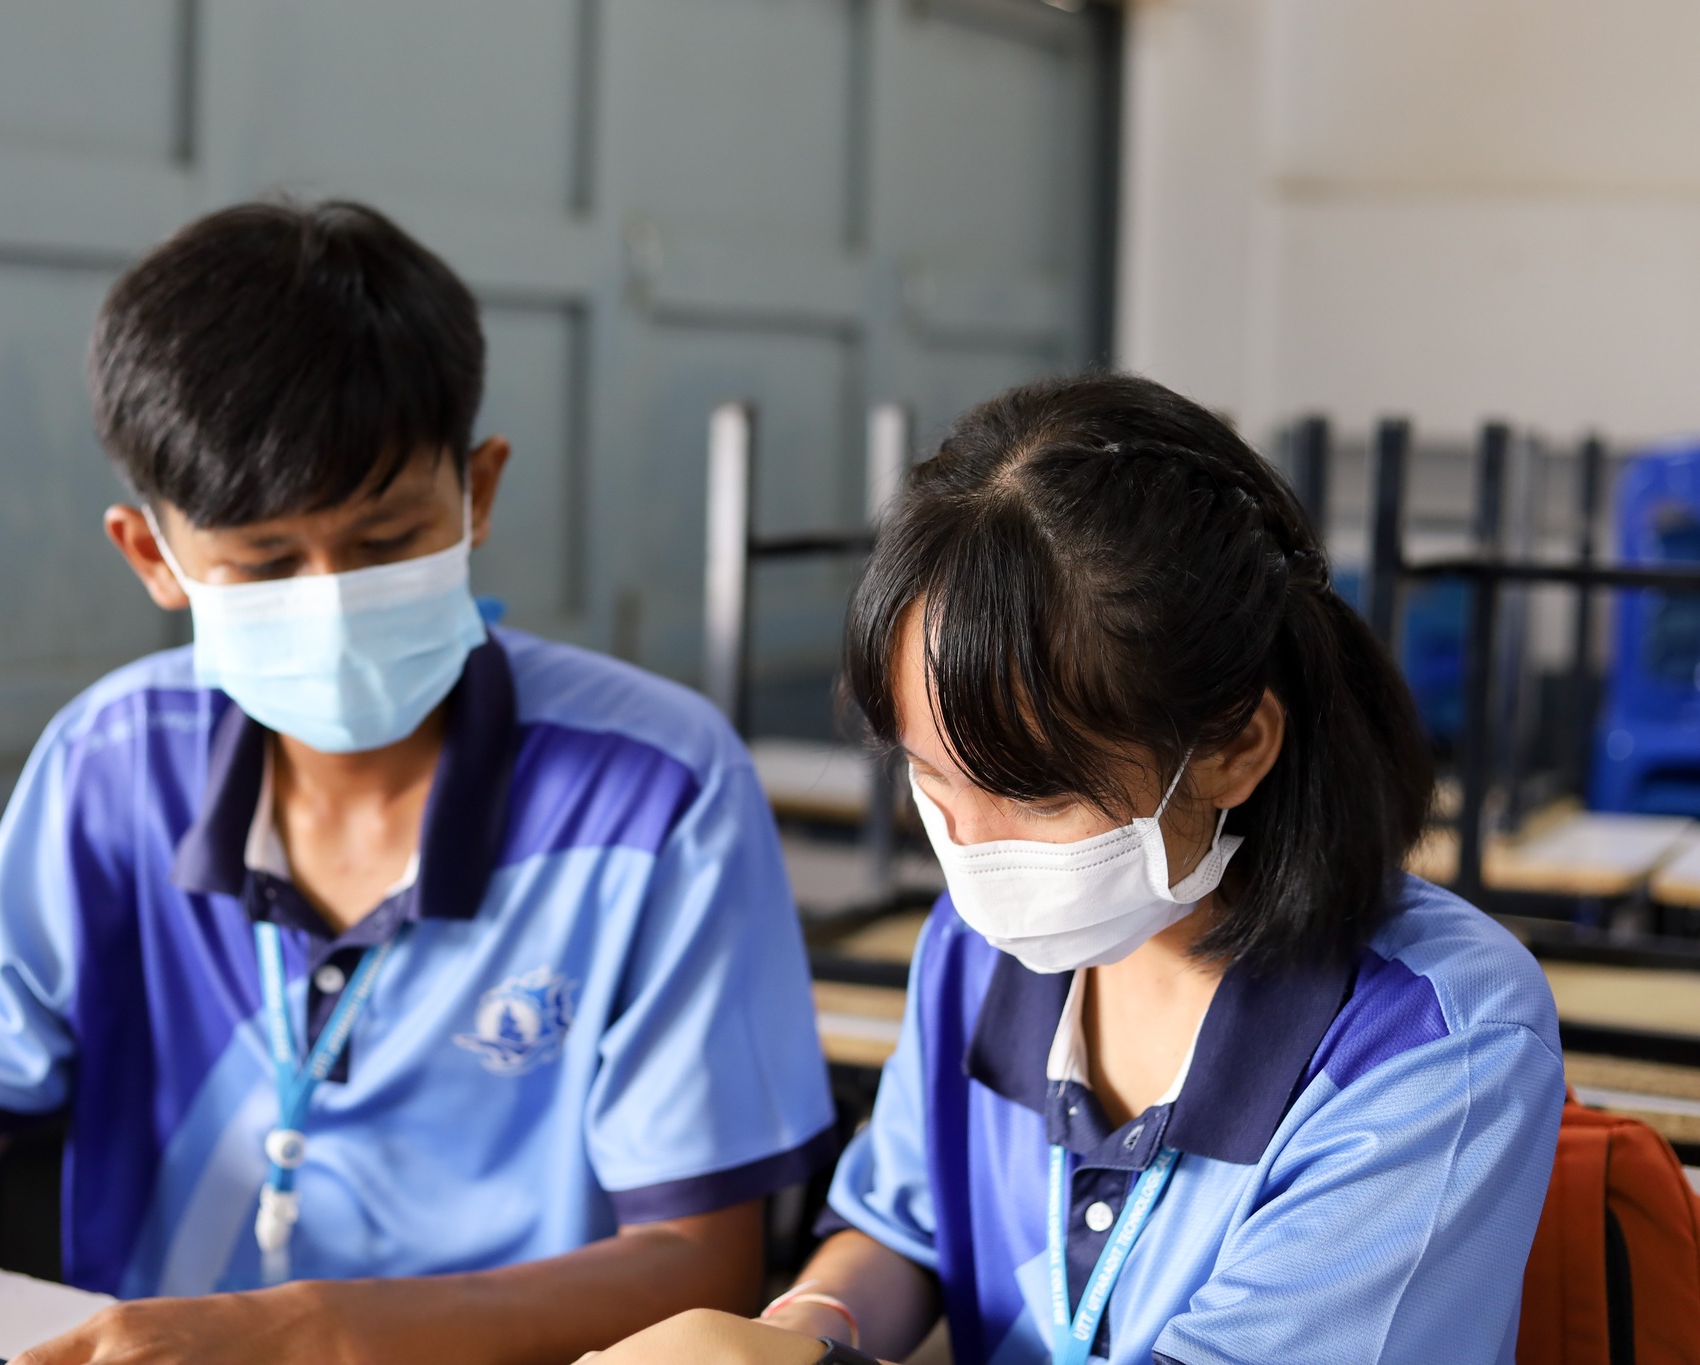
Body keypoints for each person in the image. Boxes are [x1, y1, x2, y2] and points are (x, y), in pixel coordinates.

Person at [0, 201, 836, 1365]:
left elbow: (699, 1258)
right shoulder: (107, 767)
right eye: (265, 563)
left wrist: (304, 1333)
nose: (329, 599)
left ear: (476, 493)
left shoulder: (658, 792)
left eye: (383, 543)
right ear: (152, 556)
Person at [580, 373, 1566, 1365]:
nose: (968, 846)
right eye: (930, 777)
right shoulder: (978, 955)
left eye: (1037, 796)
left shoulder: (1432, 1043)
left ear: (1232, 746)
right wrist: (804, 1323)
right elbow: (901, 1230)